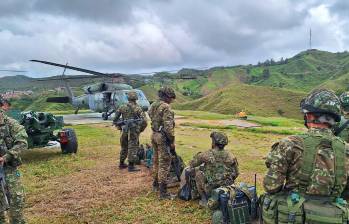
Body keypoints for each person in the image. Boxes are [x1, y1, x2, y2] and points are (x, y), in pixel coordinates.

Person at [262, 89, 349, 223]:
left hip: (294, 217)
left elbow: (271, 186)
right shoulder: (346, 149)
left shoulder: (290, 144)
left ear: (309, 116)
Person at [188, 131, 239, 207]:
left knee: (198, 173)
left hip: (211, 189)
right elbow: (236, 173)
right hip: (227, 189)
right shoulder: (231, 156)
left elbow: (192, 164)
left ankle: (204, 199)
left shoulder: (207, 154)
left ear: (214, 142)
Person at [0, 96, 28, 223]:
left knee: (16, 201)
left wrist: (6, 157)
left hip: (9, 169)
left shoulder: (11, 124)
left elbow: (22, 142)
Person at [148, 86, 176, 199]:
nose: (172, 100)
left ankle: (155, 185)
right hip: (163, 137)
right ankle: (163, 192)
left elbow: (150, 115)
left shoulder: (153, 105)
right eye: (171, 98)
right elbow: (169, 128)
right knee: (164, 163)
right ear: (167, 96)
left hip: (154, 134)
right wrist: (172, 141)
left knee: (156, 161)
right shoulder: (166, 107)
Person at [113, 91, 147, 172]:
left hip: (124, 130)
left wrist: (120, 127)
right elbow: (145, 121)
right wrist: (140, 129)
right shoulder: (138, 108)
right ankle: (131, 166)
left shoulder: (122, 107)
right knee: (133, 146)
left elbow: (115, 120)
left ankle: (121, 163)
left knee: (124, 146)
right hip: (133, 131)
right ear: (136, 98)